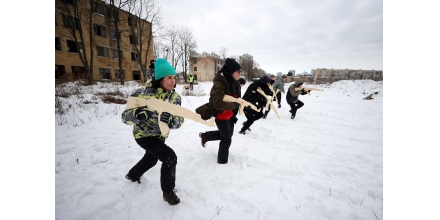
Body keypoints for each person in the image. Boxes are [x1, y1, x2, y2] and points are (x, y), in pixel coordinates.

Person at [121, 58, 184, 205]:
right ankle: (168, 192)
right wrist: (136, 115)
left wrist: (171, 121)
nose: (172, 81)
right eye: (169, 78)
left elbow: (179, 121)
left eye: (174, 78)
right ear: (159, 79)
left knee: (151, 159)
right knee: (169, 157)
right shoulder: (141, 93)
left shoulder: (175, 98)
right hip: (143, 135)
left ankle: (132, 175)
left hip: (160, 136)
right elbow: (125, 118)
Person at [197, 58, 241, 164]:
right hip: (221, 116)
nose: (240, 74)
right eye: (238, 71)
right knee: (226, 139)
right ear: (231, 72)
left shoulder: (235, 83)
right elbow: (217, 104)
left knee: (226, 135)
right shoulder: (219, 84)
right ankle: (222, 161)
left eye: (241, 71)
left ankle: (205, 136)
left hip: (230, 115)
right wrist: (234, 105)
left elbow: (237, 98)